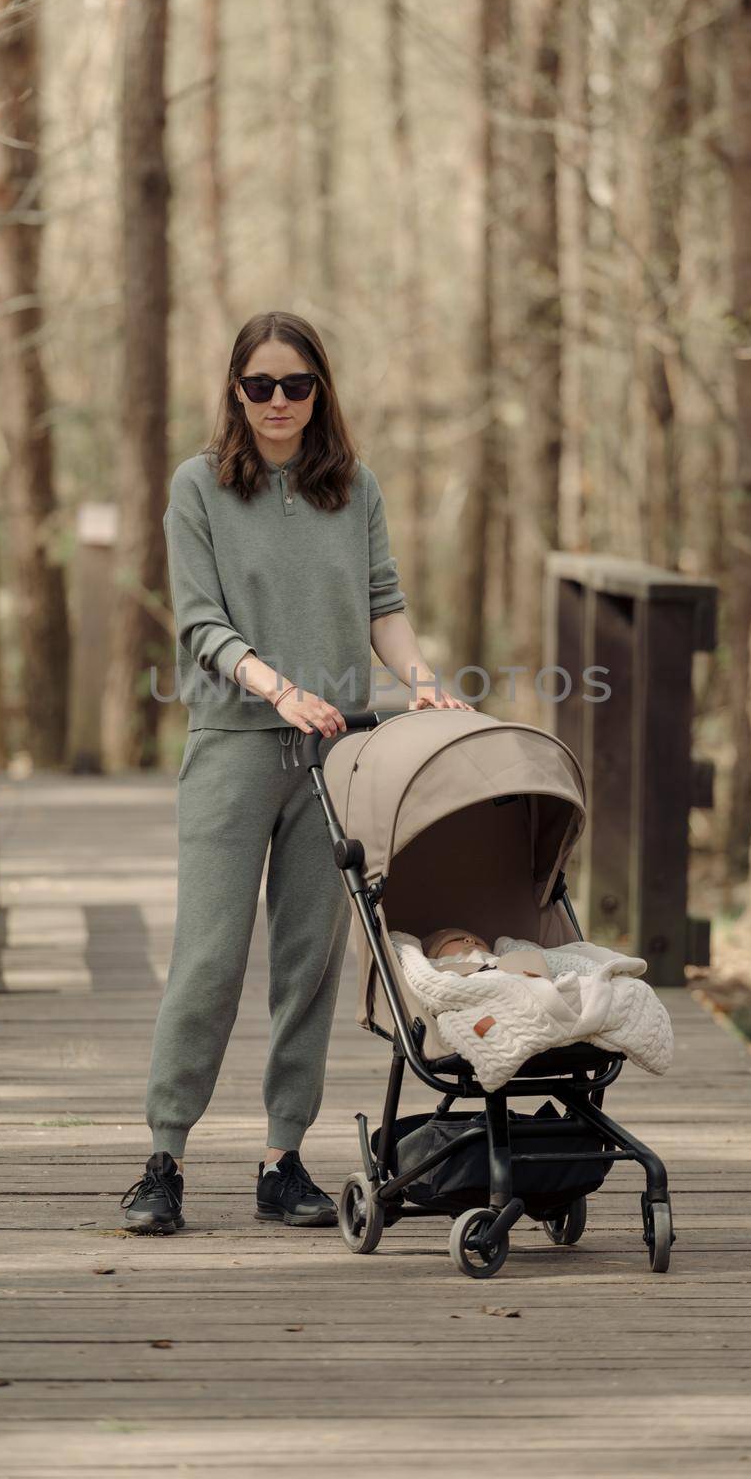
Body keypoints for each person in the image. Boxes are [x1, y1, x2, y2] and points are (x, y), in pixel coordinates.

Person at [120, 310, 473, 1234]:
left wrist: (426, 685)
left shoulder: (353, 490)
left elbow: (384, 606)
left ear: (321, 391)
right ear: (235, 392)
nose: (279, 402)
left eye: (297, 385)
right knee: (208, 957)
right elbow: (201, 624)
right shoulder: (198, 487)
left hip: (339, 756)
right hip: (236, 749)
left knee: (310, 963)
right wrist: (276, 688)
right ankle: (165, 1158)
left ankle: (283, 1162)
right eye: (260, 385)